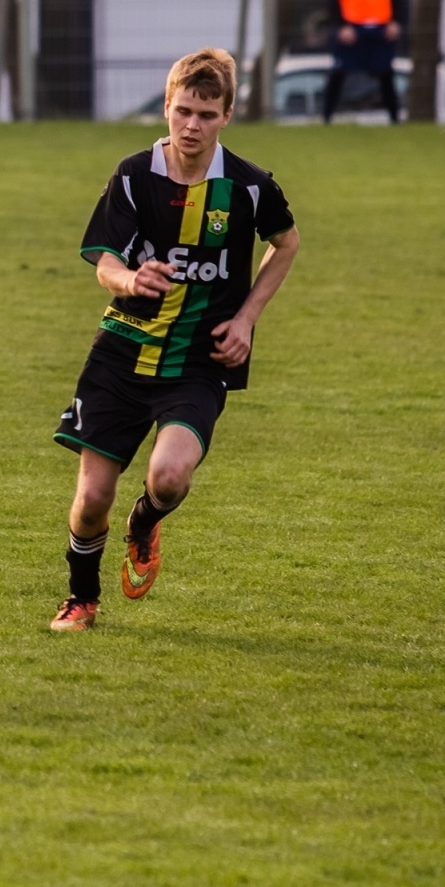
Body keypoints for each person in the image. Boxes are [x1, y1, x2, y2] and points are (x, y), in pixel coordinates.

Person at [50, 48, 299, 631]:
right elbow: (103, 261)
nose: (192, 125)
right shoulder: (134, 175)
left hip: (197, 359)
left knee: (167, 477)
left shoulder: (248, 187)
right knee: (90, 503)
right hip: (122, 351)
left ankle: (144, 522)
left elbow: (285, 243)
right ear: (166, 107)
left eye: (206, 115)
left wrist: (245, 320)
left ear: (227, 116)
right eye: (183, 110)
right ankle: (81, 597)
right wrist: (130, 278)